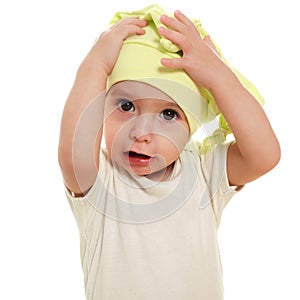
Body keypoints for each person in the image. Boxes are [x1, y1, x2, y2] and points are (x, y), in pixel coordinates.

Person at [58, 4, 280, 300]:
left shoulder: (203, 174)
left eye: (167, 114)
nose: (140, 133)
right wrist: (94, 65)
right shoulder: (102, 181)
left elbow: (264, 155)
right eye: (126, 107)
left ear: (191, 126)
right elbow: (72, 154)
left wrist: (218, 76)